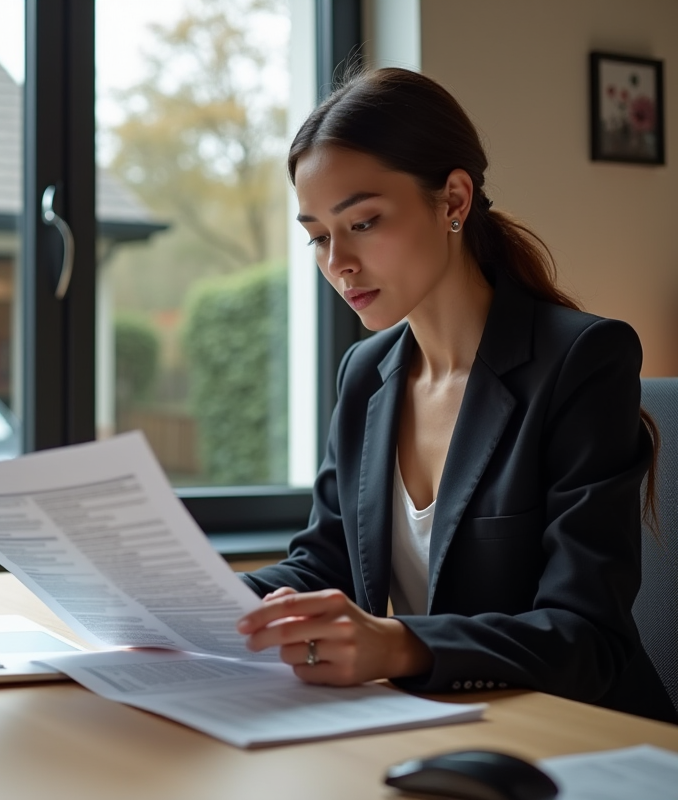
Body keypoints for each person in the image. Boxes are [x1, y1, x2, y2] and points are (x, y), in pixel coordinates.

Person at [234, 67, 676, 723]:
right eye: (319, 236)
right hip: (445, 730)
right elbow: (323, 562)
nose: (339, 263)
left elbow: (587, 635)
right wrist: (198, 599)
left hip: (581, 737)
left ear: (454, 201)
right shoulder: (366, 372)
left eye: (363, 222)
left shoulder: (583, 360)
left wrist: (398, 643)